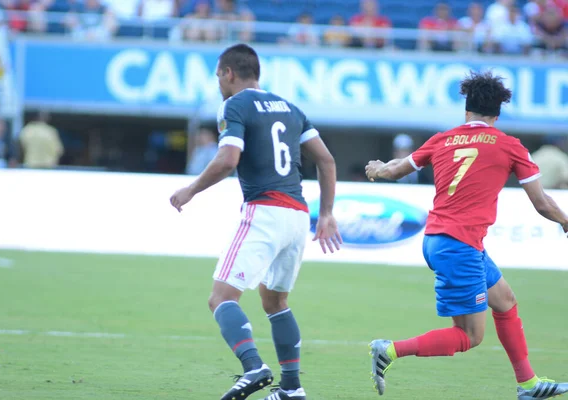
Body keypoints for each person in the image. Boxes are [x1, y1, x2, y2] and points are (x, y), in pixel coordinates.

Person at [365, 71, 568, 400]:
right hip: (459, 247)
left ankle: (528, 384)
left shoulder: (442, 139)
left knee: (505, 300)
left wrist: (376, 169)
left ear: (466, 110)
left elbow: (395, 169)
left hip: (441, 241)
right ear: (497, 114)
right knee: (469, 336)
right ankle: (389, 350)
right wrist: (565, 221)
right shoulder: (510, 146)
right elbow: (542, 203)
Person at [170, 44, 341, 400]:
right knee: (275, 302)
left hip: (264, 210)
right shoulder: (291, 109)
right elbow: (326, 160)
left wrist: (192, 189)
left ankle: (253, 368)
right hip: (298, 216)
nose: (219, 83)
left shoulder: (234, 105)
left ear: (229, 73)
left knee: (220, 298)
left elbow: (228, 159)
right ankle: (292, 389)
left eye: (219, 75)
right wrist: (326, 213)